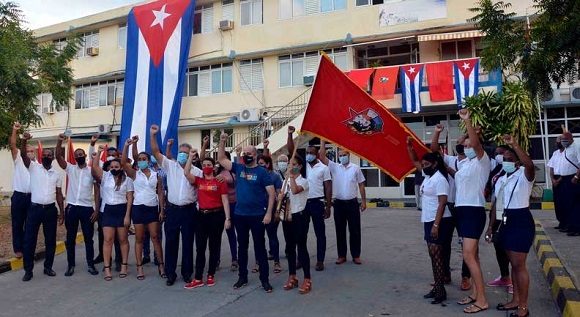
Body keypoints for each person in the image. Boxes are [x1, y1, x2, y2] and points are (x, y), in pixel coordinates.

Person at [217, 132, 276, 293]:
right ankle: (242, 277)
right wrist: (222, 141)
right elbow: (221, 159)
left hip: (257, 216)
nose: (246, 156)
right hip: (240, 215)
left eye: (249, 154)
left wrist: (269, 213)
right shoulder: (239, 167)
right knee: (242, 247)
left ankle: (265, 280)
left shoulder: (263, 172)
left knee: (260, 248)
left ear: (255, 155)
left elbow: (272, 194)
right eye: (244, 154)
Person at [150, 124, 202, 286]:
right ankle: (170, 273)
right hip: (172, 210)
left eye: (185, 153)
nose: (182, 155)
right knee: (171, 242)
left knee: (187, 243)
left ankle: (187, 273)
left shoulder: (197, 172)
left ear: (191, 156)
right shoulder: (170, 165)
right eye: (180, 152)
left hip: (189, 210)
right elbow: (156, 152)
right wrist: (153, 135)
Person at [491, 135, 536, 317]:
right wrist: (490, 227)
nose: (507, 162)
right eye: (505, 159)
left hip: (521, 220)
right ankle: (515, 300)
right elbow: (497, 204)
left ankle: (523, 308)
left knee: (519, 265)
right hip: (505, 220)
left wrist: (514, 145)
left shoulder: (524, 176)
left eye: (511, 159)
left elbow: (530, 165)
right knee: (513, 264)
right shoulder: (501, 179)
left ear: (517, 162)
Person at [407, 139, 453, 304]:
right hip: (429, 220)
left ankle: (441, 291)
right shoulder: (427, 176)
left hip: (439, 221)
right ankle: (438, 287)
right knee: (433, 255)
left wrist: (435, 224)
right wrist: (410, 147)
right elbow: (414, 161)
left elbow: (442, 202)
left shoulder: (440, 179)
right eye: (423, 163)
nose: (424, 166)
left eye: (427, 164)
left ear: (434, 164)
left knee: (437, 255)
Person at [454, 109, 491, 313]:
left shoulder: (482, 161)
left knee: (468, 256)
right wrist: (466, 136)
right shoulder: (465, 163)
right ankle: (476, 294)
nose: (467, 148)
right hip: (462, 210)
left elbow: (475, 144)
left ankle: (482, 300)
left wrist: (467, 121)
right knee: (472, 256)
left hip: (473, 210)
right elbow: (461, 144)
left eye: (470, 146)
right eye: (465, 146)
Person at [20, 132, 64, 282]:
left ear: (52, 158)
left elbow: (59, 194)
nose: (46, 156)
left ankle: (48, 267)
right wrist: (24, 141)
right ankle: (28, 270)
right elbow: (23, 156)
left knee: (50, 240)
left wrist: (62, 212)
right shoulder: (33, 168)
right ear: (41, 156)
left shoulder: (56, 174)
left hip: (50, 210)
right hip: (34, 209)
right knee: (29, 240)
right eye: (44, 154)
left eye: (49, 155)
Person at [431, 124, 471, 290]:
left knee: (466, 245)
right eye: (460, 142)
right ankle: (445, 274)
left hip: (464, 208)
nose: (460, 144)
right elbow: (434, 150)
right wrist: (437, 133)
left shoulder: (473, 163)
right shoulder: (451, 159)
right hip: (448, 206)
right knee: (444, 242)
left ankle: (465, 276)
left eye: (464, 142)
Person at [287, 126, 333, 271]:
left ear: (317, 155)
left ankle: (320, 260)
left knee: (320, 233)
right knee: (302, 232)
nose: (308, 155)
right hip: (303, 203)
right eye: (307, 153)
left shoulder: (324, 168)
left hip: (317, 203)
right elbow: (291, 151)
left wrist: (328, 206)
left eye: (311, 153)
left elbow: (328, 187)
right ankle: (301, 259)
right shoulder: (304, 166)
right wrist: (290, 135)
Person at [183, 153, 232, 288]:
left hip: (217, 215)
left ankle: (211, 274)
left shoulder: (220, 181)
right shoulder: (199, 180)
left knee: (214, 246)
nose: (206, 167)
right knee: (200, 247)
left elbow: (225, 200)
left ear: (214, 167)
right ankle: (198, 277)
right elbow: (186, 173)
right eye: (204, 165)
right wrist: (190, 157)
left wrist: (227, 218)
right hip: (201, 216)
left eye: (209, 165)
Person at [121, 136, 166, 280]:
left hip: (152, 208)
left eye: (143, 159)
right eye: (139, 159)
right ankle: (139, 267)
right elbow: (123, 163)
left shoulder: (156, 175)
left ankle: (161, 265)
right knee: (139, 238)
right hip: (138, 208)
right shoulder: (134, 174)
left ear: (148, 160)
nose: (141, 161)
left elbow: (160, 193)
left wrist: (161, 210)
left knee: (155, 237)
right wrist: (127, 146)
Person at [55, 134, 99, 277]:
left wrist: (97, 209)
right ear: (74, 158)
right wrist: (59, 141)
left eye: (81, 154)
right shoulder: (70, 169)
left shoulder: (91, 171)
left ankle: (90, 265)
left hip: (87, 209)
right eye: (76, 155)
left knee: (88, 239)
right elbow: (58, 157)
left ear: (85, 155)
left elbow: (97, 192)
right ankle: (70, 265)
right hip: (72, 208)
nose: (79, 156)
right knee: (70, 238)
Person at [319, 140, 366, 265]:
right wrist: (322, 141)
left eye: (344, 155)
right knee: (340, 230)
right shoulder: (334, 167)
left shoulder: (355, 168)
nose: (342, 157)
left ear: (349, 155)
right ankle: (341, 255)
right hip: (339, 204)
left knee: (355, 230)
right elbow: (322, 157)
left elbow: (361, 185)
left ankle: (356, 255)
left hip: (352, 203)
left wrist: (364, 201)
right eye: (340, 155)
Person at [91, 147, 133, 281]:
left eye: (116, 166)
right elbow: (95, 166)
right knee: (107, 240)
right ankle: (107, 268)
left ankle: (124, 266)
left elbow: (130, 198)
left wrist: (127, 216)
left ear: (121, 167)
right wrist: (99, 152)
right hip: (108, 210)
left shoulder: (127, 180)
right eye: (112, 166)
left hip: (121, 210)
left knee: (122, 240)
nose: (114, 168)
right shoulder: (105, 176)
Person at [281, 155, 312, 294]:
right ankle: (292, 275)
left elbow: (294, 190)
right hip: (287, 216)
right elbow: (283, 195)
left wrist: (291, 177)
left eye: (293, 164)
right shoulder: (285, 181)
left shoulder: (304, 181)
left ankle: (307, 278)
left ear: (299, 166)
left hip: (300, 216)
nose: (290, 166)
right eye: (289, 164)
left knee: (301, 247)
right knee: (290, 248)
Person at [485, 146, 512, 289]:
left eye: (502, 154)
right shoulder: (498, 170)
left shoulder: (517, 173)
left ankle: (515, 280)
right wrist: (490, 224)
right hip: (497, 210)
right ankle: (504, 276)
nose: (500, 157)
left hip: (511, 213)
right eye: (498, 154)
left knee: (510, 246)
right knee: (498, 244)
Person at [256, 154, 283, 274]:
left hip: (270, 210)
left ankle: (276, 262)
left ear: (267, 164)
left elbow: (278, 195)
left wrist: (277, 207)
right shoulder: (255, 175)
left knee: (272, 236)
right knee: (258, 237)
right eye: (258, 163)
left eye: (262, 163)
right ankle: (258, 262)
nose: (260, 166)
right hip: (257, 210)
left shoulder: (275, 176)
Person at [9, 122, 32, 259]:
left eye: (31, 151)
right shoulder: (18, 158)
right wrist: (15, 130)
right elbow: (13, 145)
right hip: (18, 196)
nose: (29, 153)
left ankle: (26, 247)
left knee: (29, 224)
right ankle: (18, 249)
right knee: (17, 223)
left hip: (31, 197)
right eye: (27, 150)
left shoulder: (36, 165)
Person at [558, 132, 580, 236]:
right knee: (568, 204)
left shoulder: (576, 146)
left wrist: (576, 177)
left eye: (564, 140)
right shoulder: (567, 148)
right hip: (566, 180)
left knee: (574, 204)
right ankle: (570, 225)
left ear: (571, 139)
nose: (563, 142)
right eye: (562, 140)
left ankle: (576, 228)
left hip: (574, 179)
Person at [547, 137, 565, 230]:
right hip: (555, 179)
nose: (556, 143)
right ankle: (561, 222)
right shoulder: (555, 153)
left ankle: (567, 223)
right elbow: (551, 167)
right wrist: (553, 179)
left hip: (564, 179)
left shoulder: (568, 153)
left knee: (565, 202)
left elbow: (568, 170)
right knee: (557, 202)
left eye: (558, 142)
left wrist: (559, 180)